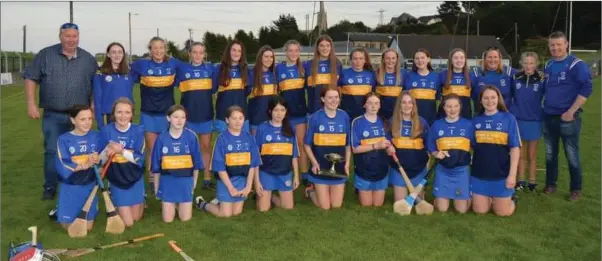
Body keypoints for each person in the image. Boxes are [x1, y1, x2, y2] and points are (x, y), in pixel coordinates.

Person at [23, 22, 98, 200]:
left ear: (78, 37)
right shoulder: (46, 55)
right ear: (60, 36)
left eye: (75, 36)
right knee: (52, 151)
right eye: (67, 36)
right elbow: (30, 78)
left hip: (80, 116)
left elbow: (96, 85)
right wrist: (31, 103)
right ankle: (50, 186)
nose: (71, 40)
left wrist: (94, 106)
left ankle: (77, 181)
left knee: (81, 151)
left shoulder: (88, 58)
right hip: (54, 114)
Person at [542, 31, 593, 200]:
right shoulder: (548, 65)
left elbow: (586, 88)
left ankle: (575, 189)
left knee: (571, 154)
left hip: (568, 118)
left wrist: (571, 111)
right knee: (550, 154)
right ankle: (550, 184)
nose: (555, 48)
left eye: (558, 44)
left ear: (566, 44)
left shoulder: (576, 64)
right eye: (552, 45)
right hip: (548, 116)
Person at [130, 37, 181, 194]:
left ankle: (167, 175)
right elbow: (126, 74)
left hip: (168, 114)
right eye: (155, 48)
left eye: (161, 48)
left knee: (168, 146)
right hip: (148, 113)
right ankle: (152, 178)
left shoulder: (173, 64)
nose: (158, 51)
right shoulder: (141, 64)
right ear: (150, 49)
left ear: (166, 49)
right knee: (152, 148)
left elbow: (188, 70)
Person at [195, 106, 261, 217]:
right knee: (225, 214)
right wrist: (231, 188)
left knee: (236, 213)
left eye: (240, 118)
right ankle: (203, 204)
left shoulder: (249, 138)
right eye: (234, 118)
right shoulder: (222, 139)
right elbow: (220, 168)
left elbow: (253, 164)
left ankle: (222, 201)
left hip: (241, 180)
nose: (237, 121)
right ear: (227, 120)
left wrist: (249, 186)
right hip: (226, 181)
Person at [471, 85, 520, 216]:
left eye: (493, 97)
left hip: (501, 175)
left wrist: (512, 175)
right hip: (479, 174)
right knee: (480, 211)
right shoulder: (475, 120)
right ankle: (489, 198)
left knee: (503, 212)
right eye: (485, 98)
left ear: (498, 99)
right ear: (480, 101)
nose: (490, 101)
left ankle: (512, 199)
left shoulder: (509, 119)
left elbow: (515, 149)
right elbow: (470, 146)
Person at [98, 98, 146, 227]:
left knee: (136, 218)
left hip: (135, 176)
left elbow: (140, 160)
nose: (123, 116)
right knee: (128, 223)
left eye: (127, 112)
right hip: (117, 178)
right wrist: (106, 152)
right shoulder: (106, 131)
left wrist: (121, 151)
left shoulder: (138, 130)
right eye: (119, 112)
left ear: (132, 114)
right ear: (113, 114)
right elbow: (99, 160)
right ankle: (116, 197)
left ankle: (141, 199)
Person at [175, 42, 217, 190]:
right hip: (187, 117)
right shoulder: (182, 69)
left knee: (205, 147)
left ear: (204, 54)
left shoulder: (210, 69)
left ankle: (206, 178)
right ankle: (187, 177)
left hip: (205, 115)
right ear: (189, 54)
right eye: (195, 52)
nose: (198, 55)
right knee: (187, 148)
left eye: (201, 52)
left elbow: (215, 89)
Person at [151, 105, 203, 223]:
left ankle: (179, 203)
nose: (179, 120)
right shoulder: (161, 138)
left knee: (185, 219)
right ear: (168, 118)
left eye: (183, 117)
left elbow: (196, 163)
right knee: (168, 220)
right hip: (168, 181)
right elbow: (156, 167)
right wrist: (156, 188)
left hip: (185, 182)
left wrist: (193, 184)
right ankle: (171, 203)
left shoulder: (191, 137)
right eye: (176, 117)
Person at [304, 86, 351, 210]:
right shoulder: (315, 117)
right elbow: (307, 145)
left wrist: (347, 164)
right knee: (324, 207)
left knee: (336, 206)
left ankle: (322, 190)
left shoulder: (344, 116)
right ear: (323, 99)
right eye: (330, 97)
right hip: (320, 166)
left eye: (336, 97)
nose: (333, 100)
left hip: (339, 167)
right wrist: (314, 163)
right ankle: (311, 191)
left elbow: (347, 145)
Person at [55, 105, 100, 230]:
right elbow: (62, 164)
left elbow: (103, 157)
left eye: (90, 119)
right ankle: (59, 209)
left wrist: (98, 159)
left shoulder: (96, 136)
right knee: (69, 227)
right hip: (71, 186)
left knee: (88, 228)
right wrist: (85, 164)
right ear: (73, 120)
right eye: (82, 119)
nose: (87, 123)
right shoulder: (63, 139)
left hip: (89, 185)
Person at [428, 94, 473, 213]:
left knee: (461, 210)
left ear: (460, 107)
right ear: (443, 107)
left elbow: (475, 145)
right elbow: (431, 146)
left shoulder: (468, 125)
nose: (452, 110)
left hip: (461, 171)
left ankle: (470, 195)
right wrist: (436, 154)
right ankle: (442, 196)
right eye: (448, 106)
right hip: (443, 170)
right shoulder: (437, 125)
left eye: (455, 106)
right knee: (442, 209)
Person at [253, 97, 300, 211]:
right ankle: (263, 196)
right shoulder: (262, 128)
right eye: (276, 110)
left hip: (284, 173)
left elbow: (294, 155)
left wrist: (296, 176)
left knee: (288, 207)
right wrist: (256, 181)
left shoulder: (290, 129)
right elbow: (255, 157)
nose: (279, 114)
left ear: (286, 111)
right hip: (266, 172)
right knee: (263, 209)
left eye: (282, 110)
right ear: (270, 111)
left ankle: (272, 197)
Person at [275, 40, 310, 187]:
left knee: (301, 144)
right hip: (284, 115)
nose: (293, 53)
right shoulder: (279, 68)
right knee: (284, 144)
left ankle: (304, 174)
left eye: (296, 50)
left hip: (300, 114)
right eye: (290, 50)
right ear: (285, 52)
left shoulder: (304, 68)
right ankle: (283, 171)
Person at [510, 52, 545, 192]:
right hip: (519, 120)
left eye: (531, 63)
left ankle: (532, 182)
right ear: (521, 64)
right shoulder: (515, 78)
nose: (529, 66)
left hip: (535, 120)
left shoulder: (542, 79)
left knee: (532, 155)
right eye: (526, 63)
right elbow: (509, 95)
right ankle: (521, 181)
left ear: (536, 64)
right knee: (521, 154)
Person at [386, 91, 430, 202]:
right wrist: (388, 149)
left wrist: (426, 172)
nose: (407, 105)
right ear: (399, 105)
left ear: (414, 105)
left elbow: (428, 149)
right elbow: (386, 148)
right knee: (401, 205)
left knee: (417, 202)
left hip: (418, 169)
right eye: (404, 102)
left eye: (410, 102)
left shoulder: (422, 122)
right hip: (399, 170)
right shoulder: (391, 123)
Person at [350, 93, 391, 207]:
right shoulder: (357, 122)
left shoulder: (385, 122)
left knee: (378, 205)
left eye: (376, 103)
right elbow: (355, 149)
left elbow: (388, 143)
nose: (373, 106)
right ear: (364, 105)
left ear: (380, 106)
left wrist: (390, 147)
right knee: (367, 205)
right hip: (364, 169)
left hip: (381, 169)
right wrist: (375, 146)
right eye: (370, 103)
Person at [93, 42, 136, 129]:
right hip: (109, 116)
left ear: (123, 54)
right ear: (108, 54)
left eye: (120, 52)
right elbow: (97, 99)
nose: (117, 55)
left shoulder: (129, 72)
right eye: (114, 52)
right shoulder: (100, 73)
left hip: (126, 115)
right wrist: (100, 123)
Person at [214, 40, 252, 134]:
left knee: (243, 147)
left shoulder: (246, 70)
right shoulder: (219, 69)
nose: (236, 53)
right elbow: (213, 89)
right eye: (234, 50)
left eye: (239, 51)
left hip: (242, 116)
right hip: (223, 116)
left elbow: (247, 91)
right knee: (225, 146)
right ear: (228, 51)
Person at [304, 35, 343, 116]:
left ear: (331, 47)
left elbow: (339, 88)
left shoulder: (337, 64)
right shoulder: (308, 64)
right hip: (313, 111)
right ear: (317, 48)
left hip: (332, 111)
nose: (325, 48)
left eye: (327, 46)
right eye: (321, 46)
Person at [404, 48, 441, 125]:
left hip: (431, 118)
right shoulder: (408, 76)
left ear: (428, 59)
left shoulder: (436, 77)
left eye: (422, 58)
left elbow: (437, 98)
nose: (420, 61)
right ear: (414, 61)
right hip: (413, 117)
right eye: (417, 58)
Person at [339, 48, 377, 121]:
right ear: (351, 60)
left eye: (361, 58)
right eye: (355, 58)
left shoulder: (371, 75)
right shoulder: (343, 74)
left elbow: (374, 95)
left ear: (365, 60)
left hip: (366, 115)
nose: (358, 61)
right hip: (347, 115)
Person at [248, 45, 277, 135]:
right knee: (256, 148)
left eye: (271, 57)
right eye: (266, 56)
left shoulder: (274, 75)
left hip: (271, 120)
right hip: (256, 120)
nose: (269, 59)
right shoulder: (251, 74)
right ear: (260, 58)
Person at [438, 48, 473, 119]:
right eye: (456, 58)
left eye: (462, 58)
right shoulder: (442, 75)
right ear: (451, 61)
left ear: (465, 60)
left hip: (464, 115)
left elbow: (475, 96)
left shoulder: (471, 77)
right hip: (445, 115)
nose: (459, 60)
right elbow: (437, 94)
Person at [375, 48, 406, 121]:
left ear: (397, 59)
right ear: (383, 60)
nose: (391, 61)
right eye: (388, 58)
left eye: (393, 58)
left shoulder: (404, 74)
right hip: (380, 114)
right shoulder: (376, 74)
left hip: (397, 114)